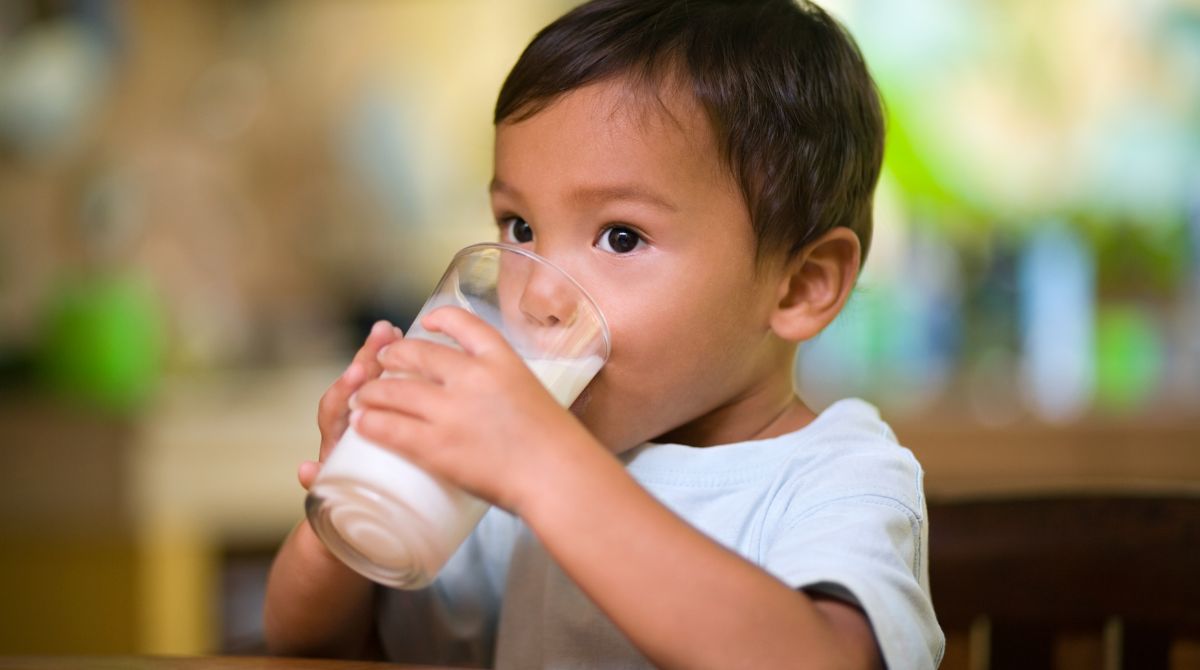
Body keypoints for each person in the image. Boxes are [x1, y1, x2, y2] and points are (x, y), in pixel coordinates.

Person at [264, 0, 943, 667]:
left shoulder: (837, 477)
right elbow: (320, 646)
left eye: (621, 236)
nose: (537, 293)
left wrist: (543, 467)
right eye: (519, 227)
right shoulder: (513, 472)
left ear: (801, 285)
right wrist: (349, 506)